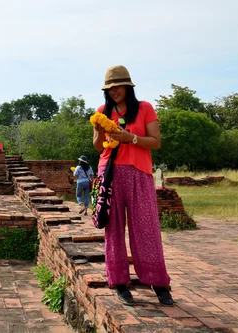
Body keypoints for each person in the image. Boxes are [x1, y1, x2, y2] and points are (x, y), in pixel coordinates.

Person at [92, 65, 173, 307]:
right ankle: (119, 282)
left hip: (139, 173)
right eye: (109, 88)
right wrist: (98, 132)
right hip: (111, 173)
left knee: (146, 228)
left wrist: (130, 138)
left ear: (127, 86)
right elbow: (99, 147)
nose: (113, 91)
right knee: (114, 228)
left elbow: (156, 142)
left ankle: (157, 282)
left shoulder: (145, 109)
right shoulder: (102, 111)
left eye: (117, 86)